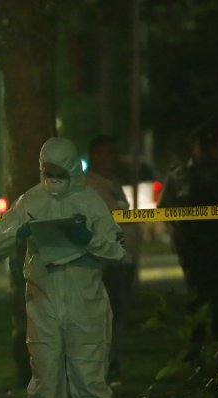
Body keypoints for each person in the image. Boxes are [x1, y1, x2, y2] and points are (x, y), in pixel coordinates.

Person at [0, 137, 126, 398]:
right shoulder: (30, 202)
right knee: (45, 390)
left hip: (86, 306)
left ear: (74, 170)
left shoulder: (92, 202)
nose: (53, 179)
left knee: (91, 388)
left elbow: (117, 250)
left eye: (59, 173)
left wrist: (87, 238)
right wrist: (18, 232)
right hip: (43, 306)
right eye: (47, 172)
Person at [157, 122, 218, 354]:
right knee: (198, 299)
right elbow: (165, 208)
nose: (208, 150)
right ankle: (194, 348)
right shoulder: (179, 175)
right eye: (203, 146)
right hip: (194, 249)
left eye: (212, 145)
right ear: (194, 147)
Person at [84, 135, 139, 384]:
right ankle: (102, 367)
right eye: (106, 153)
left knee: (116, 317)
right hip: (105, 263)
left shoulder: (112, 185)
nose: (112, 159)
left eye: (113, 153)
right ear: (94, 156)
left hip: (122, 261)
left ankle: (110, 363)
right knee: (104, 318)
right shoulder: (89, 187)